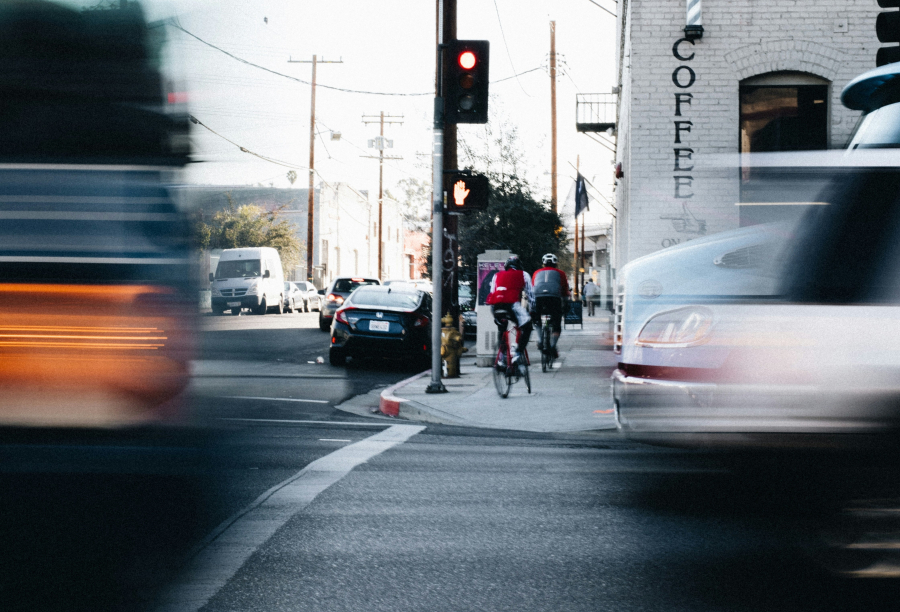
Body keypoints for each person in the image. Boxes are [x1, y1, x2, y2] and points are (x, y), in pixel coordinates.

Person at [485, 255, 535, 367]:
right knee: (527, 326)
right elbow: (531, 296)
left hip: (496, 306)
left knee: (502, 328)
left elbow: (492, 291)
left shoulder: (496, 275)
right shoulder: (524, 274)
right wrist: (533, 311)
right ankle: (517, 353)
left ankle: (501, 357)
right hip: (511, 304)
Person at [531, 253, 569, 359]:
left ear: (543, 263)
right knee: (556, 323)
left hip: (538, 298)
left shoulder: (536, 272)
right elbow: (565, 289)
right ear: (555, 263)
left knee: (537, 319)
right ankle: (553, 346)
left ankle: (539, 339)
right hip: (554, 298)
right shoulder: (560, 273)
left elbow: (533, 286)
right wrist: (566, 302)